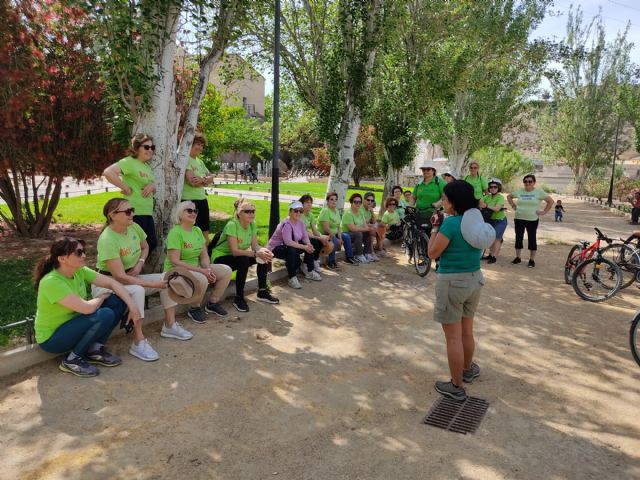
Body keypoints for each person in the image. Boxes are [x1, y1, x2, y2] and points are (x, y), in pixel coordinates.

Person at [94, 198, 195, 362]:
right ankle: (138, 341)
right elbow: (119, 276)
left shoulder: (133, 226)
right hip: (108, 283)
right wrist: (151, 284)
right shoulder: (107, 239)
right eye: (127, 211)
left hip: (132, 276)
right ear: (112, 215)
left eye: (132, 209)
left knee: (167, 277)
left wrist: (140, 263)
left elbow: (145, 246)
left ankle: (169, 325)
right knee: (139, 290)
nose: (132, 214)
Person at [34, 237, 142, 377]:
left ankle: (94, 350)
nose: (84, 255)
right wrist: (100, 298)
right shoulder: (51, 282)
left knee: (118, 301)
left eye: (83, 251)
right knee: (105, 314)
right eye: (78, 252)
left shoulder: (79, 270)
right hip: (53, 339)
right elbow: (87, 309)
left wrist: (133, 307)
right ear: (62, 259)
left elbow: (112, 283)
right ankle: (72, 360)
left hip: (74, 324)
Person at [427, 180, 485, 401]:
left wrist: (435, 227)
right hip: (474, 279)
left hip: (452, 282)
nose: (442, 201)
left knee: (453, 337)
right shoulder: (476, 220)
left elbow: (433, 253)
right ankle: (467, 369)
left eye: (444, 198)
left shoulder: (450, 224)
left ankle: (456, 385)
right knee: (466, 330)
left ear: (452, 202)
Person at [164, 201, 233, 319]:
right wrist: (202, 271)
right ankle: (194, 307)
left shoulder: (197, 230)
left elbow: (204, 256)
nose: (193, 213)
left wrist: (207, 268)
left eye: (195, 211)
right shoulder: (175, 233)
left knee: (226, 270)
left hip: (196, 267)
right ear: (180, 214)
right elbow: (175, 261)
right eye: (189, 210)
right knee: (202, 279)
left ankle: (213, 302)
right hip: (176, 270)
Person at [211, 198, 279, 312]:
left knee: (262, 255)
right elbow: (234, 251)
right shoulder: (232, 225)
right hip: (220, 258)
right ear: (239, 213)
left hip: (238, 257)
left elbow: (255, 245)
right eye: (247, 211)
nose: (251, 213)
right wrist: (256, 253)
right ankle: (239, 297)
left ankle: (262, 291)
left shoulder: (252, 224)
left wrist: (263, 251)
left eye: (253, 211)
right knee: (244, 259)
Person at [103, 133, 158, 254]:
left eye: (152, 147)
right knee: (137, 246)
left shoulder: (147, 167)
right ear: (137, 148)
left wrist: (152, 186)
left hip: (147, 212)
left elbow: (151, 186)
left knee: (151, 243)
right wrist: (125, 188)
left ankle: (133, 269)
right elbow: (108, 172)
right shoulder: (129, 162)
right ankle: (126, 270)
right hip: (134, 212)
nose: (150, 150)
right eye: (146, 147)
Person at [268, 201, 322, 289]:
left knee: (313, 242)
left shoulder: (300, 222)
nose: (298, 213)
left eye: (300, 211)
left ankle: (309, 270)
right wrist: (304, 247)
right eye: (295, 211)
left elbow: (304, 236)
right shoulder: (286, 224)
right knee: (291, 250)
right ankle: (292, 277)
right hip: (277, 248)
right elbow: (288, 242)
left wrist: (308, 245)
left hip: (291, 245)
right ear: (290, 212)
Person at [506, 174, 554, 268]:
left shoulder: (539, 192)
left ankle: (532, 260)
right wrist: (513, 205)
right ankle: (518, 257)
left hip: (532, 220)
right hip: (519, 218)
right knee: (518, 238)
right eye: (525, 181)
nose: (527, 183)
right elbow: (509, 196)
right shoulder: (519, 191)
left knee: (532, 239)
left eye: (530, 181)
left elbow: (550, 201)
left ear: (534, 183)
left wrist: (544, 212)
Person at [182, 133, 215, 245]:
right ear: (190, 144)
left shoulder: (200, 162)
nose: (200, 148)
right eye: (198, 144)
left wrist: (203, 180)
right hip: (189, 201)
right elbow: (193, 182)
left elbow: (212, 177)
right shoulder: (185, 159)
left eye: (202, 145)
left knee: (204, 230)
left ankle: (205, 257)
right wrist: (205, 180)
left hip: (202, 200)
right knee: (190, 230)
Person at [317, 192, 355, 268]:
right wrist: (336, 237)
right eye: (331, 199)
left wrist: (340, 238)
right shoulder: (325, 211)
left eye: (335, 199)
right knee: (333, 239)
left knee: (346, 236)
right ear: (327, 201)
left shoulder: (337, 211)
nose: (334, 201)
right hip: (324, 233)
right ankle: (331, 261)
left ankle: (349, 257)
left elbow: (338, 226)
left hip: (334, 233)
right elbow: (326, 228)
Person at [299, 194, 332, 273]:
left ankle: (315, 260)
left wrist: (321, 236)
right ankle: (305, 264)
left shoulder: (310, 215)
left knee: (321, 241)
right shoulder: (299, 214)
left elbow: (314, 230)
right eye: (307, 202)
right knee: (314, 241)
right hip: (299, 237)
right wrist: (319, 237)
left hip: (307, 236)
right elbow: (304, 232)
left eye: (310, 202)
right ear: (302, 204)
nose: (309, 204)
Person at [480, 179, 507, 264]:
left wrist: (487, 205)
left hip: (500, 221)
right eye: (491, 187)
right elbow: (480, 203)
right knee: (491, 238)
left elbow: (497, 209)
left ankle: (494, 256)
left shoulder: (500, 197)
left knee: (497, 239)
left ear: (498, 188)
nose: (493, 188)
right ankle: (490, 255)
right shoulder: (487, 197)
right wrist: (483, 205)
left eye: (495, 187)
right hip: (490, 220)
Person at [341, 193, 373, 264]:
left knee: (367, 232)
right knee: (359, 233)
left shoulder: (360, 212)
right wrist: (367, 229)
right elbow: (352, 229)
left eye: (359, 202)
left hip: (356, 233)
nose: (358, 204)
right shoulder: (348, 213)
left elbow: (365, 225)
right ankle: (359, 255)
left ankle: (367, 253)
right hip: (347, 234)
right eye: (355, 202)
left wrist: (368, 229)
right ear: (351, 202)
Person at [412, 162, 445, 227]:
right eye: (423, 169)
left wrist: (438, 203)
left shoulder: (439, 182)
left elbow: (445, 196)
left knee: (433, 233)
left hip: (435, 213)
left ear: (433, 171)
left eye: (428, 169)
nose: (425, 171)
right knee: (419, 233)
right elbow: (413, 197)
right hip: (419, 213)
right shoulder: (419, 182)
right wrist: (410, 206)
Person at [362, 192, 379, 261]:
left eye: (372, 201)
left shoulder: (369, 210)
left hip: (366, 228)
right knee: (371, 230)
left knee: (379, 227)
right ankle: (371, 252)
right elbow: (361, 223)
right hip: (358, 228)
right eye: (368, 200)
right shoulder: (360, 209)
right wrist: (371, 226)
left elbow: (374, 221)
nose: (370, 202)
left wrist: (372, 211)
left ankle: (372, 252)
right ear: (364, 200)